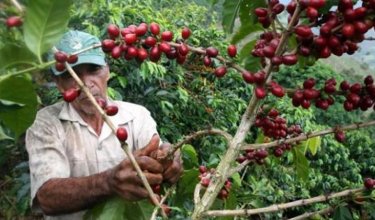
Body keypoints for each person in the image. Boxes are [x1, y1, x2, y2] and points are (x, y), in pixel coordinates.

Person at [25, 30, 183, 219]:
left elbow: (157, 155)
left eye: (93, 70)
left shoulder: (137, 116)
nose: (85, 83)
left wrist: (167, 157)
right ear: (59, 84)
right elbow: (46, 197)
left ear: (107, 71)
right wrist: (109, 182)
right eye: (71, 75)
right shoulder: (45, 123)